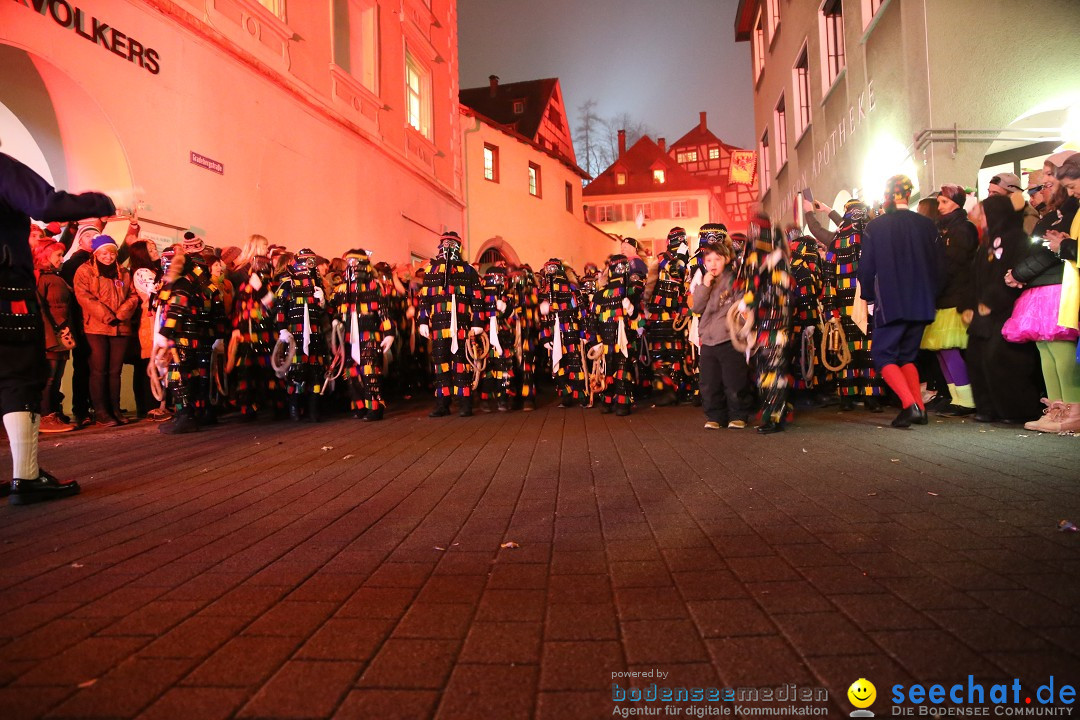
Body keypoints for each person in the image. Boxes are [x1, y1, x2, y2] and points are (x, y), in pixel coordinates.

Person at [1, 150, 115, 504]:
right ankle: (27, 476)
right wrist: (101, 201)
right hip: (5, 288)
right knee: (19, 376)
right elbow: (45, 205)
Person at [1004, 153, 1080, 432]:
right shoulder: (1054, 211)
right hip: (1043, 284)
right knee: (1046, 347)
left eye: (1049, 175)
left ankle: (1073, 408)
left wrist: (1020, 273)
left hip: (1058, 283)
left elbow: (1052, 250)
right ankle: (1058, 408)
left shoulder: (1068, 209)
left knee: (1060, 347)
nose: (1046, 181)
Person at [858, 175, 941, 428]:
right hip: (922, 301)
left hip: (891, 301)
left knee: (883, 355)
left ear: (887, 195)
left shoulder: (876, 227)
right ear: (909, 194)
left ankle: (910, 405)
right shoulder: (928, 225)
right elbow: (940, 266)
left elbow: (866, 269)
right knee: (907, 357)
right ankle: (919, 408)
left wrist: (869, 298)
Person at [964, 194, 1043, 424]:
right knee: (977, 357)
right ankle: (988, 407)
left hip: (1005, 311)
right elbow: (975, 277)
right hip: (983, 314)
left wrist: (991, 300)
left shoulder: (1016, 239)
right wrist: (969, 306)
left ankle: (1016, 409)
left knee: (1001, 358)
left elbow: (1011, 275)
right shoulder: (987, 242)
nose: (980, 217)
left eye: (984, 212)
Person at [804, 197, 884, 411]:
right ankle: (858, 395)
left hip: (860, 303)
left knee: (861, 349)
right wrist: (831, 307)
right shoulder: (861, 237)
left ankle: (861, 395)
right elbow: (829, 277)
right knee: (854, 348)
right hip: (855, 302)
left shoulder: (853, 238)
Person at [921, 185, 979, 417]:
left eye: (944, 201)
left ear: (956, 203)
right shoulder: (942, 228)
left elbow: (955, 264)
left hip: (954, 295)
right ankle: (957, 397)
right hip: (942, 295)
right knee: (941, 350)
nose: (940, 206)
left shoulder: (962, 228)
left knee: (949, 348)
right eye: (939, 202)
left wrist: (936, 283)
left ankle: (967, 399)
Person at [73, 235, 139, 427]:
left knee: (115, 371)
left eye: (111, 253)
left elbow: (133, 296)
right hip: (96, 326)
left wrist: (122, 313)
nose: (108, 257)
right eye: (103, 253)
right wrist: (106, 315)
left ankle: (115, 409)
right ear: (95, 254)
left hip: (121, 326)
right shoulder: (85, 271)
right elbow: (84, 296)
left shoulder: (124, 273)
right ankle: (101, 411)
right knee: (98, 370)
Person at [740, 215, 795, 434]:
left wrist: (751, 300)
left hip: (775, 325)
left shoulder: (777, 259)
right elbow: (748, 284)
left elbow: (779, 294)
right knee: (764, 372)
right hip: (762, 326)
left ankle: (776, 416)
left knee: (773, 372)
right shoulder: (758, 258)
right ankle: (772, 412)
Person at [419, 232, 483, 417]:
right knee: (441, 363)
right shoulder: (431, 269)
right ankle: (442, 403)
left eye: (452, 244)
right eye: (445, 244)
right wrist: (423, 320)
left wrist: (477, 322)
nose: (448, 248)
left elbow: (477, 297)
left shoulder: (468, 270)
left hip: (461, 323)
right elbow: (425, 298)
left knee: (461, 362)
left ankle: (465, 403)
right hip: (439, 325)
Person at [691, 236, 747, 429]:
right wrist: (705, 286)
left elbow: (743, 306)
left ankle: (738, 415)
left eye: (717, 259)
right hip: (708, 339)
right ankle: (715, 416)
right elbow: (696, 308)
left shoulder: (735, 279)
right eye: (709, 260)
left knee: (734, 380)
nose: (713, 264)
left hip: (729, 337)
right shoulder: (705, 282)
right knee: (709, 381)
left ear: (727, 259)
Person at [332, 248, 394, 421]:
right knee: (351, 373)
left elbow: (384, 312)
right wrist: (336, 319)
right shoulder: (342, 289)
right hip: (349, 336)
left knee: (370, 372)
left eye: (355, 262)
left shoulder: (375, 286)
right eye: (349, 263)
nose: (352, 266)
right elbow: (337, 309)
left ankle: (374, 409)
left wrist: (389, 333)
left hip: (369, 335)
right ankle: (359, 407)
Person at [274, 248, 330, 422]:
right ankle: (294, 409)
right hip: (294, 334)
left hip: (314, 334)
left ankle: (314, 410)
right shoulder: (288, 283)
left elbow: (325, 314)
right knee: (296, 371)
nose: (309, 266)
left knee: (315, 371)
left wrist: (323, 303)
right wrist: (282, 328)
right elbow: (279, 306)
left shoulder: (317, 285)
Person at [586, 254, 644, 416]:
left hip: (625, 340)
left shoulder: (631, 292)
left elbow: (640, 323)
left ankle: (622, 402)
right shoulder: (600, 295)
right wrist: (595, 341)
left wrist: (632, 311)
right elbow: (592, 320)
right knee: (606, 370)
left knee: (623, 370)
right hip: (605, 342)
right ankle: (607, 399)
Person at [645, 227, 692, 406]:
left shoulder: (688, 259)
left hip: (678, 312)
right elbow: (675, 271)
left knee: (677, 351)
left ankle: (678, 390)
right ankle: (663, 390)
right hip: (660, 310)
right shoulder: (664, 257)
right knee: (659, 352)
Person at [34, 240, 77, 433]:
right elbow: (41, 309)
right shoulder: (42, 278)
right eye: (58, 255)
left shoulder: (55, 276)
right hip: (51, 334)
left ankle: (52, 412)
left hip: (62, 333)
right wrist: (50, 336)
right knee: (49, 378)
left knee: (56, 377)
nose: (61, 259)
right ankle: (45, 416)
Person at [539, 258, 588, 407]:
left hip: (571, 328)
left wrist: (584, 334)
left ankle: (581, 395)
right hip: (554, 331)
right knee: (558, 364)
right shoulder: (544, 293)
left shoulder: (572, 289)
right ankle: (565, 395)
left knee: (575, 362)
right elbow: (543, 319)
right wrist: (545, 337)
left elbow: (582, 313)